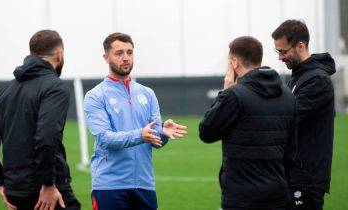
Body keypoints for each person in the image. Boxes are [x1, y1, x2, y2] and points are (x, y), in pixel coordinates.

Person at [0, 30, 80, 210]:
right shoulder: (55, 87)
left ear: (31, 53)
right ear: (59, 54)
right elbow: (46, 138)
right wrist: (48, 184)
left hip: (15, 192)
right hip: (45, 192)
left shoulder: (6, 90)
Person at [83, 32, 187, 210]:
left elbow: (155, 140)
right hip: (109, 186)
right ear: (106, 57)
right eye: (119, 53)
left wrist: (163, 133)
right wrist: (140, 135)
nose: (126, 58)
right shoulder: (95, 96)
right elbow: (105, 138)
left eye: (129, 52)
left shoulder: (147, 93)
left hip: (144, 185)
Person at [199, 36, 296, 210]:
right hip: (278, 196)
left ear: (234, 63)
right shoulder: (289, 96)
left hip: (241, 198)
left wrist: (226, 90)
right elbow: (291, 152)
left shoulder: (234, 95)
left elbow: (206, 132)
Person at [272, 19, 336, 210]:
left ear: (300, 46)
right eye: (277, 52)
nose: (280, 58)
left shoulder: (317, 80)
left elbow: (288, 119)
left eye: (283, 51)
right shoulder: (299, 77)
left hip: (306, 179)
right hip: (292, 175)